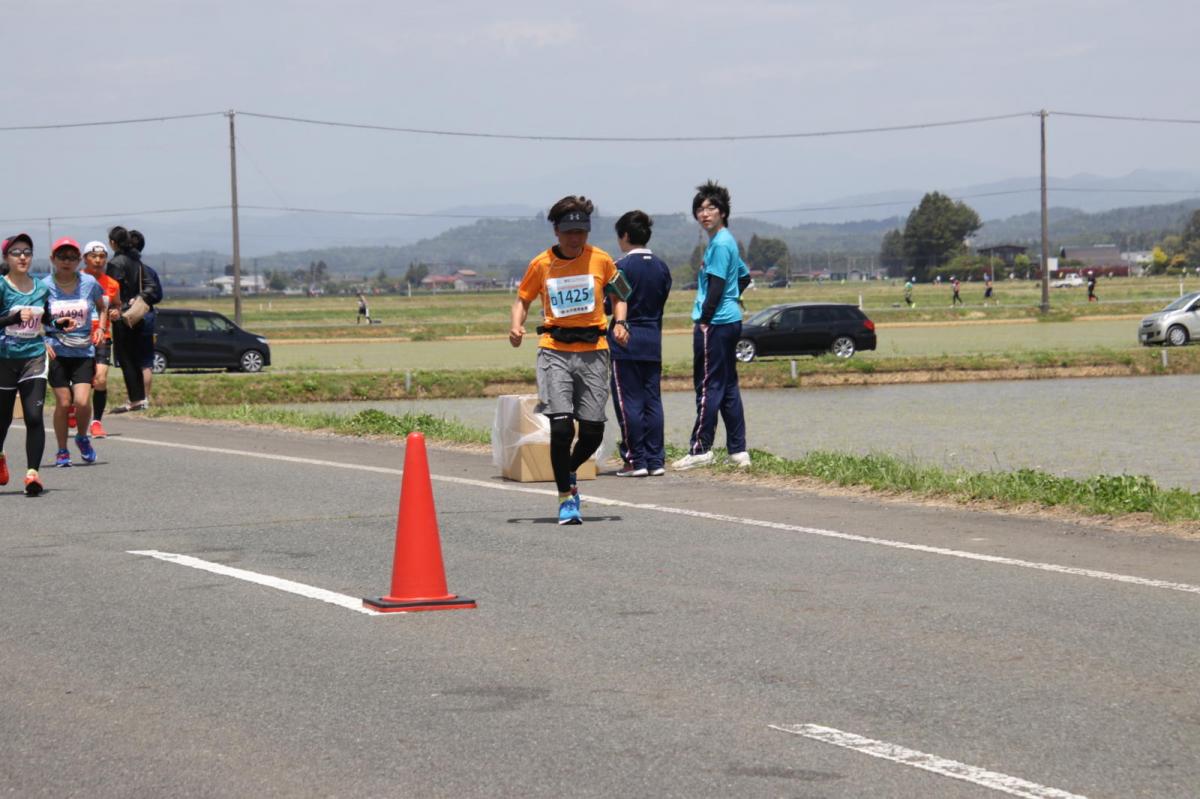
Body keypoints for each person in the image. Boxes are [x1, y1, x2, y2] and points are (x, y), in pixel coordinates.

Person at [509, 195, 629, 525]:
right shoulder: (541, 264)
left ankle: (569, 471)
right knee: (561, 428)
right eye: (569, 232)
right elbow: (522, 300)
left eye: (581, 232)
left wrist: (620, 322)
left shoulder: (602, 260)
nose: (575, 238)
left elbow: (621, 294)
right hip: (554, 350)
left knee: (592, 432)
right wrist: (516, 325)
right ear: (556, 231)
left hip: (594, 351)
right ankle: (566, 497)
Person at [672, 180, 750, 471]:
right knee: (727, 385)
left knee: (708, 385)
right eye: (700, 209)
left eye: (711, 208)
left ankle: (701, 448)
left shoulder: (719, 244)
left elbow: (716, 286)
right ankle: (738, 450)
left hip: (715, 323)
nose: (704, 214)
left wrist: (705, 319)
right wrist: (733, 298)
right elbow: (743, 276)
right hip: (730, 320)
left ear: (723, 212)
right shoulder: (728, 241)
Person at [0, 233, 78, 495]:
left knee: (34, 417)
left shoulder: (40, 287)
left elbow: (44, 319)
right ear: (6, 257)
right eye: (16, 252)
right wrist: (11, 319)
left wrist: (58, 324)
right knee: (2, 419)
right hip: (4, 360)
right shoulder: (1, 287)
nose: (22, 257)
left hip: (33, 357)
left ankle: (32, 474)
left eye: (27, 252)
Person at [606, 211, 671, 478]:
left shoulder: (620, 267)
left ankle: (635, 460)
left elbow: (610, 304)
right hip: (653, 339)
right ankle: (656, 460)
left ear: (625, 236)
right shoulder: (661, 267)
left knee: (628, 402)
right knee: (652, 401)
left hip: (626, 340)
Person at [42, 238, 104, 467]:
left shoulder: (89, 283)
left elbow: (102, 306)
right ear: (53, 259)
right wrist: (42, 340)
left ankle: (81, 436)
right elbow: (36, 316)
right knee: (64, 402)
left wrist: (101, 328)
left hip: (83, 350)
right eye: (61, 257)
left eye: (71, 257)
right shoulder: (44, 286)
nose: (66, 262)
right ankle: (62, 450)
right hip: (56, 351)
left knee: (82, 401)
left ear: (79, 260)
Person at [105, 226, 161, 413]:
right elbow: (152, 287)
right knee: (138, 358)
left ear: (113, 243)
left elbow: (111, 291)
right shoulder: (137, 261)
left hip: (121, 315)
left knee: (125, 358)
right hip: (138, 315)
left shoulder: (115, 263)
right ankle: (140, 398)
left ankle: (135, 399)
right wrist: (139, 297)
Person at [81, 241, 119, 437]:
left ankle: (96, 422)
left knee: (101, 378)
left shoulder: (112, 284)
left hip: (102, 336)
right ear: (85, 258)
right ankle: (72, 407)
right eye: (93, 256)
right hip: (77, 336)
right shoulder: (75, 280)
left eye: (102, 256)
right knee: (80, 381)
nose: (98, 260)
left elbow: (117, 305)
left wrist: (116, 312)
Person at [129, 231, 160, 406]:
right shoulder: (149, 271)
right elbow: (158, 295)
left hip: (127, 319)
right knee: (146, 362)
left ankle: (133, 398)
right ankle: (145, 398)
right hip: (146, 317)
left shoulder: (121, 269)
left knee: (130, 361)